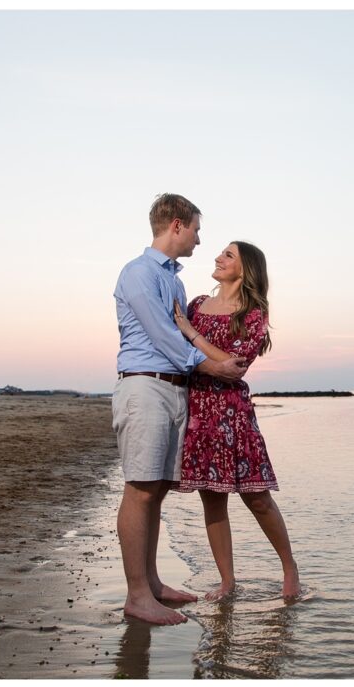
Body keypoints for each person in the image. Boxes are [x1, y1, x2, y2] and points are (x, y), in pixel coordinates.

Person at [113, 194, 249, 625]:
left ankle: (151, 584)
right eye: (195, 228)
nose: (199, 238)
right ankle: (137, 596)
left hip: (174, 390)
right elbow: (164, 338)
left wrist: (209, 370)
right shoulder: (137, 273)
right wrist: (218, 368)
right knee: (139, 487)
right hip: (145, 387)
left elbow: (182, 335)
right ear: (177, 225)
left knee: (156, 488)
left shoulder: (173, 280)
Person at [172, 241, 301, 601]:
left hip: (233, 413)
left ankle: (289, 568)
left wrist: (191, 333)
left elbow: (235, 365)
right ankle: (227, 581)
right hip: (198, 410)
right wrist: (190, 334)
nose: (217, 257)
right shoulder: (196, 305)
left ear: (245, 269)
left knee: (257, 497)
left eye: (228, 255)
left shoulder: (253, 312)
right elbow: (189, 353)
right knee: (211, 500)